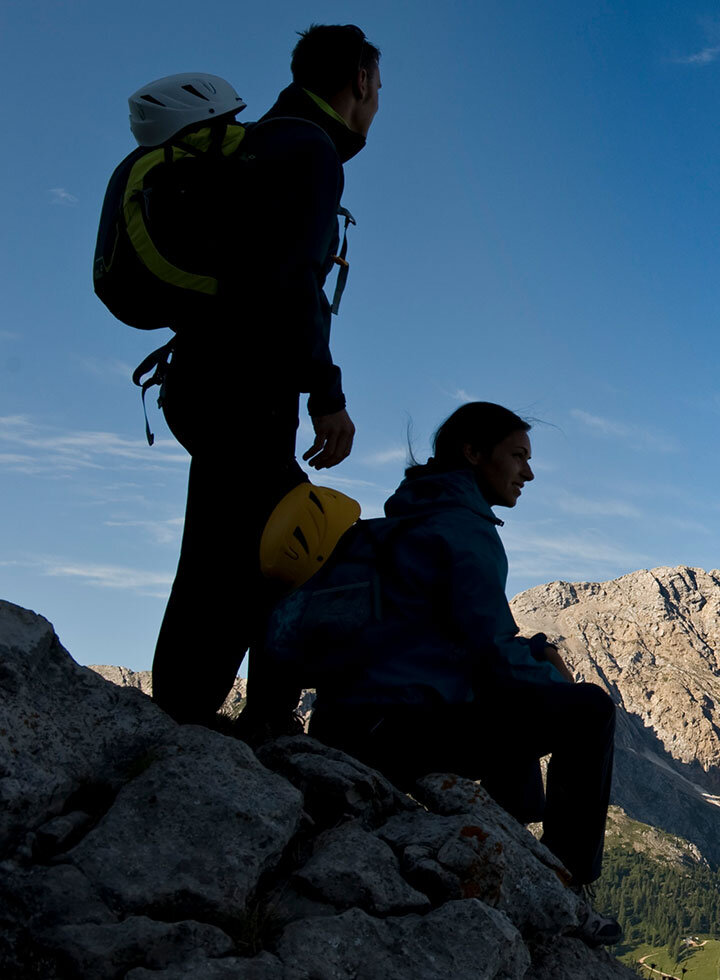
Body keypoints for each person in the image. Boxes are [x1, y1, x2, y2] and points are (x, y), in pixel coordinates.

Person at [306, 403, 619, 943]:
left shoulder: (395, 523)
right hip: (398, 733)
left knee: (507, 696)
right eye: (518, 455)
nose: (529, 472)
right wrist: (556, 678)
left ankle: (513, 829)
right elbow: (493, 655)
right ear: (474, 454)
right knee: (589, 710)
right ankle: (570, 884)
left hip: (342, 723)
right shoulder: (464, 532)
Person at [150, 24, 380, 731]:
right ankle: (226, 715)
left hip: (201, 376)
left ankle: (195, 705)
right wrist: (328, 396)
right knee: (300, 540)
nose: (377, 106)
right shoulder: (309, 150)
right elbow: (292, 282)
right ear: (360, 84)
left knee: (226, 541)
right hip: (244, 385)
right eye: (379, 90)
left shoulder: (263, 142)